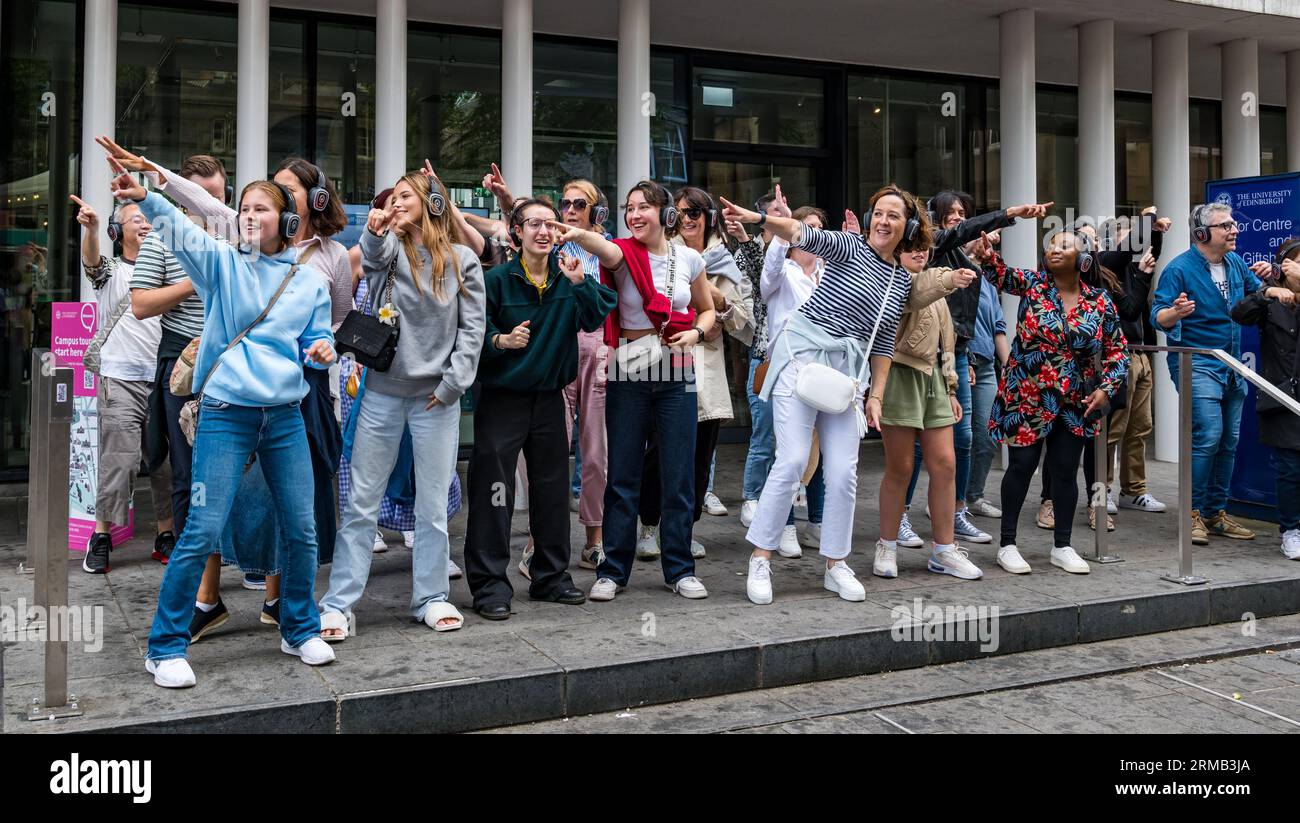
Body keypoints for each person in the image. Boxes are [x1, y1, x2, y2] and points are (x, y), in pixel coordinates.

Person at [112, 159, 338, 688]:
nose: (249, 216)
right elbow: (180, 227)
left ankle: (299, 628)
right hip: (225, 414)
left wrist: (321, 350)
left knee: (301, 529)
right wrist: (144, 194)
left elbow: (312, 342)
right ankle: (163, 646)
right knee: (202, 530)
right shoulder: (221, 263)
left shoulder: (307, 284)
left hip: (284, 417)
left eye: (262, 209)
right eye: (244, 209)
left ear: (288, 223)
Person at [721, 184, 922, 605]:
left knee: (845, 472)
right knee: (792, 458)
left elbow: (882, 343)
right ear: (869, 220)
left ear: (909, 226)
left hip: (847, 374)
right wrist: (759, 218)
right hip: (801, 357)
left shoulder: (900, 280)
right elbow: (799, 233)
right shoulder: (847, 246)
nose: (884, 221)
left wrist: (877, 396)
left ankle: (836, 562)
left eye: (895, 215)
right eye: (879, 213)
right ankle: (761, 555)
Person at [319, 171, 485, 640]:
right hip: (382, 392)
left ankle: (431, 598)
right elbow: (371, 261)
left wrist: (452, 385)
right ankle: (339, 603)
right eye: (392, 198)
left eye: (405, 196)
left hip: (437, 398)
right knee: (361, 501)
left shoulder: (463, 261)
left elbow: (472, 331)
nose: (396, 203)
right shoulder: (388, 250)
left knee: (431, 505)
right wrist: (374, 230)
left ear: (433, 203)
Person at [548, 179, 717, 602]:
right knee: (622, 471)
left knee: (678, 472)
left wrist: (696, 333)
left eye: (644, 207)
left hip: (676, 361)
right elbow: (598, 245)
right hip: (629, 357)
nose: (635, 214)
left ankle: (679, 568)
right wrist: (570, 231)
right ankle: (613, 570)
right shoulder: (624, 252)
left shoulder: (691, 258)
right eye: (629, 208)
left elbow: (709, 309)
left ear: (667, 214)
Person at [464, 197, 616, 619]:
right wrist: (501, 341)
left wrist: (582, 281)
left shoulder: (570, 277)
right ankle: (491, 585)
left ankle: (551, 577)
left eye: (551, 224)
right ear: (516, 232)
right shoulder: (495, 281)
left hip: (550, 399)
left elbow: (598, 316)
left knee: (551, 492)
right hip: (502, 400)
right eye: (534, 224)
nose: (544, 231)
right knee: (495, 493)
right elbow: (473, 334)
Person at [977, 230, 1128, 574]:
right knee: (1021, 466)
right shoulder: (1033, 285)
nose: (1054, 249)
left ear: (1084, 259)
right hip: (1028, 395)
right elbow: (1000, 274)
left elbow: (1119, 351)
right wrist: (988, 255)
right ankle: (1008, 544)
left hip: (1076, 400)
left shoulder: (1099, 301)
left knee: (1064, 472)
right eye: (1051, 244)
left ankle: (1062, 545)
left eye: (1064, 245)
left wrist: (1106, 387)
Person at [925, 191, 1054, 543]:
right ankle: (909, 517)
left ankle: (959, 508)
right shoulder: (932, 249)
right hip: (933, 356)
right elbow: (957, 235)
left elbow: (994, 321)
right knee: (918, 445)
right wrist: (1009, 212)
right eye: (949, 213)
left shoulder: (970, 262)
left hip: (963, 355)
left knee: (971, 437)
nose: (956, 217)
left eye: (961, 212)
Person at [635, 186, 753, 560]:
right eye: (681, 212)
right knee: (657, 453)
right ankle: (650, 526)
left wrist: (718, 310)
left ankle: (684, 530)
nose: (687, 219)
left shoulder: (722, 260)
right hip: (663, 360)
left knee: (699, 457)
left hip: (705, 367)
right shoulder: (662, 253)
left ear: (708, 218)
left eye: (695, 213)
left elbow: (745, 321)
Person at [1151, 203, 1268, 545]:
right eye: (1225, 225)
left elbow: (1254, 294)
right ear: (1202, 234)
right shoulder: (1179, 269)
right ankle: (1192, 513)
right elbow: (1157, 317)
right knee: (1208, 435)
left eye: (1233, 224)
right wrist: (1174, 312)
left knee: (1229, 439)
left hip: (1231, 362)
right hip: (1196, 361)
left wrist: (1269, 277)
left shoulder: (1234, 262)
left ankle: (1216, 513)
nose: (1234, 230)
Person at [71, 195, 174, 573]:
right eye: (136, 220)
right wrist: (92, 229)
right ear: (119, 232)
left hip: (162, 379)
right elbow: (92, 263)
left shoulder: (167, 271)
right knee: (121, 462)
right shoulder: (112, 272)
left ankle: (166, 534)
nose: (145, 225)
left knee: (164, 464)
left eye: (149, 220)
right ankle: (100, 535)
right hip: (121, 379)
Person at [873, 228, 979, 580]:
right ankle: (886, 545)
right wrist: (949, 277)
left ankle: (945, 550)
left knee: (946, 463)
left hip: (933, 379)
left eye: (923, 249)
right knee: (900, 467)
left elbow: (946, 343)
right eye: (911, 248)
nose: (919, 254)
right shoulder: (894, 283)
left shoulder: (935, 290)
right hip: (899, 374)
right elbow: (918, 293)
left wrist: (951, 388)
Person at [750, 194, 828, 554]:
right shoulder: (782, 269)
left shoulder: (830, 273)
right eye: (807, 228)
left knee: (824, 452)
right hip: (788, 372)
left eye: (820, 230)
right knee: (790, 454)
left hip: (828, 372)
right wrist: (780, 228)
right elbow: (766, 278)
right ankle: (784, 526)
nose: (815, 235)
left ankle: (818, 521)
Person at [1230, 238, 1300, 560]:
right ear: (1285, 265)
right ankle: (1291, 530)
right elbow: (1239, 313)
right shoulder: (1270, 298)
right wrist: (1267, 291)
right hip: (1283, 395)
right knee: (1289, 468)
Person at [733, 193, 786, 530]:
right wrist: (743, 237)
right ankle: (752, 497)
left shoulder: (803, 256)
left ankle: (792, 503)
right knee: (765, 436)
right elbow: (754, 275)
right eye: (773, 215)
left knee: (797, 442)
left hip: (802, 363)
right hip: (765, 358)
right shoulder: (757, 255)